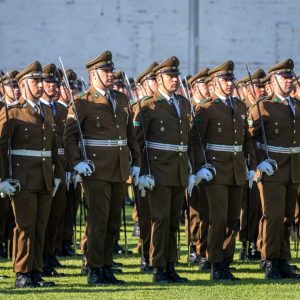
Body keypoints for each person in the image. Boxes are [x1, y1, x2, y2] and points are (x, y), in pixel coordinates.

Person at [64, 50, 141, 285]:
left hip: (118, 168)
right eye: (105, 72)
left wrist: (136, 162)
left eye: (110, 71)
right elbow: (69, 137)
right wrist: (77, 162)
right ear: (92, 75)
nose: (110, 75)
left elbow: (130, 137)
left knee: (113, 221)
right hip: (95, 169)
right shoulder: (82, 102)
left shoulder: (121, 99)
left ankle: (107, 265)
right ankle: (95, 268)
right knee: (98, 220)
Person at [193, 60, 256, 280]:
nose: (229, 83)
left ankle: (226, 261)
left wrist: (251, 165)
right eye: (224, 80)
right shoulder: (206, 107)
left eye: (230, 79)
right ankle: (214, 261)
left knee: (231, 219)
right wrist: (201, 166)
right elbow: (197, 141)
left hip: (236, 168)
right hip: (215, 168)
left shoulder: (239, 106)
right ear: (212, 84)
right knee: (217, 218)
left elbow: (246, 139)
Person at [0, 61, 59, 288]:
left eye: (40, 81)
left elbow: (53, 146)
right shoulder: (12, 112)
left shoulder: (46, 111)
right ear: (23, 85)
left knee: (39, 226)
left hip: (44, 177)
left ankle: (35, 271)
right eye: (34, 82)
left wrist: (56, 173)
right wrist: (3, 179)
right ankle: (22, 273)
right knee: (24, 226)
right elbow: (1, 147)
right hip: (22, 179)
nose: (40, 85)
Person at [135, 56, 194, 283]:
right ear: (158, 79)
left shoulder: (183, 103)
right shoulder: (148, 105)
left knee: (172, 221)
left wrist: (191, 167)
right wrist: (142, 171)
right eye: (170, 76)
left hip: (178, 170)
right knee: (159, 220)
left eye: (176, 76)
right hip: (157, 170)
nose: (175, 80)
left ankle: (170, 265)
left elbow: (187, 140)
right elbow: (139, 142)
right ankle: (158, 267)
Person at [248, 59, 300, 279]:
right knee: (273, 216)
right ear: (273, 81)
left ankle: (282, 259)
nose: (289, 82)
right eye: (284, 78)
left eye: (291, 78)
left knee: (288, 217)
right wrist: (258, 162)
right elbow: (250, 138)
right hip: (271, 169)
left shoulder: (297, 106)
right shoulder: (263, 106)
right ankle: (269, 260)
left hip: (293, 169)